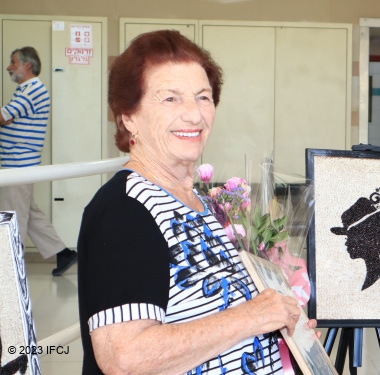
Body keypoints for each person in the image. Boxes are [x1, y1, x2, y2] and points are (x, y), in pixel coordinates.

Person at [77, 30, 315, 374]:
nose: (194, 115)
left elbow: (215, 320)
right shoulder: (125, 210)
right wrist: (253, 315)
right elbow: (125, 358)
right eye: (170, 99)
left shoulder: (201, 203)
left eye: (203, 97)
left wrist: (284, 335)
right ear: (128, 116)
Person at [0, 46, 77, 276]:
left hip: (19, 166)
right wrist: (4, 117)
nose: (9, 67)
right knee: (29, 214)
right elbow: (6, 118)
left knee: (13, 217)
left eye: (13, 62)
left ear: (27, 66)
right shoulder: (27, 90)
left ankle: (11, 269)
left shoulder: (31, 90)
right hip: (20, 164)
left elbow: (1, 117)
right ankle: (63, 253)